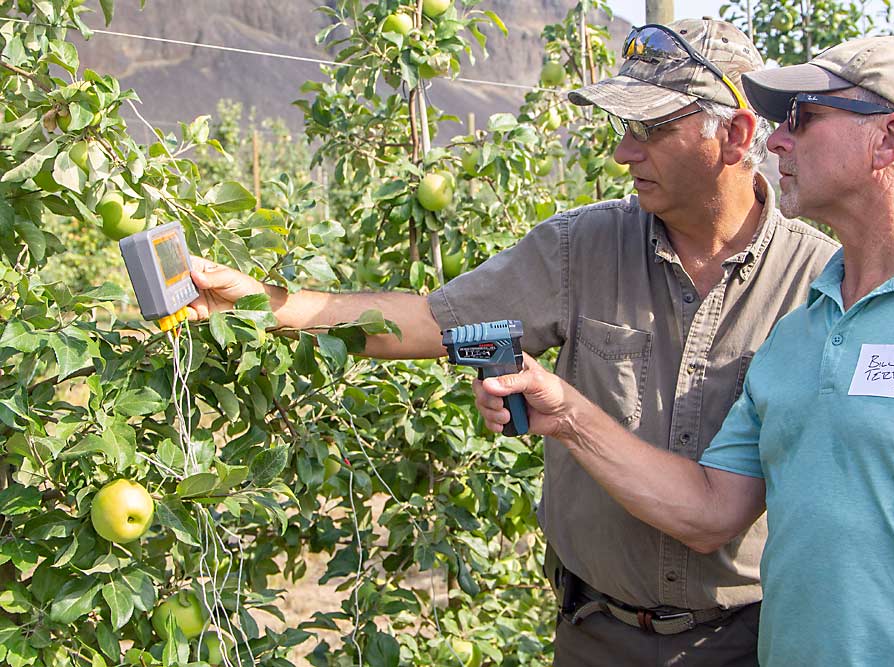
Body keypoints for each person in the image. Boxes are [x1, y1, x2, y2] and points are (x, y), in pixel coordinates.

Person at [188, 18, 838, 666]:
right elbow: (425, 322)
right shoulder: (582, 248)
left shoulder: (819, 285)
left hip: (749, 642)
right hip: (597, 634)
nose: (623, 153)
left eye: (650, 129)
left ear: (736, 135)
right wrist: (266, 306)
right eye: (623, 128)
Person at [475, 35, 894, 666]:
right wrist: (567, 414)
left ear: (887, 139)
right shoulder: (802, 327)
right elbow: (710, 508)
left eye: (803, 118)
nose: (776, 142)